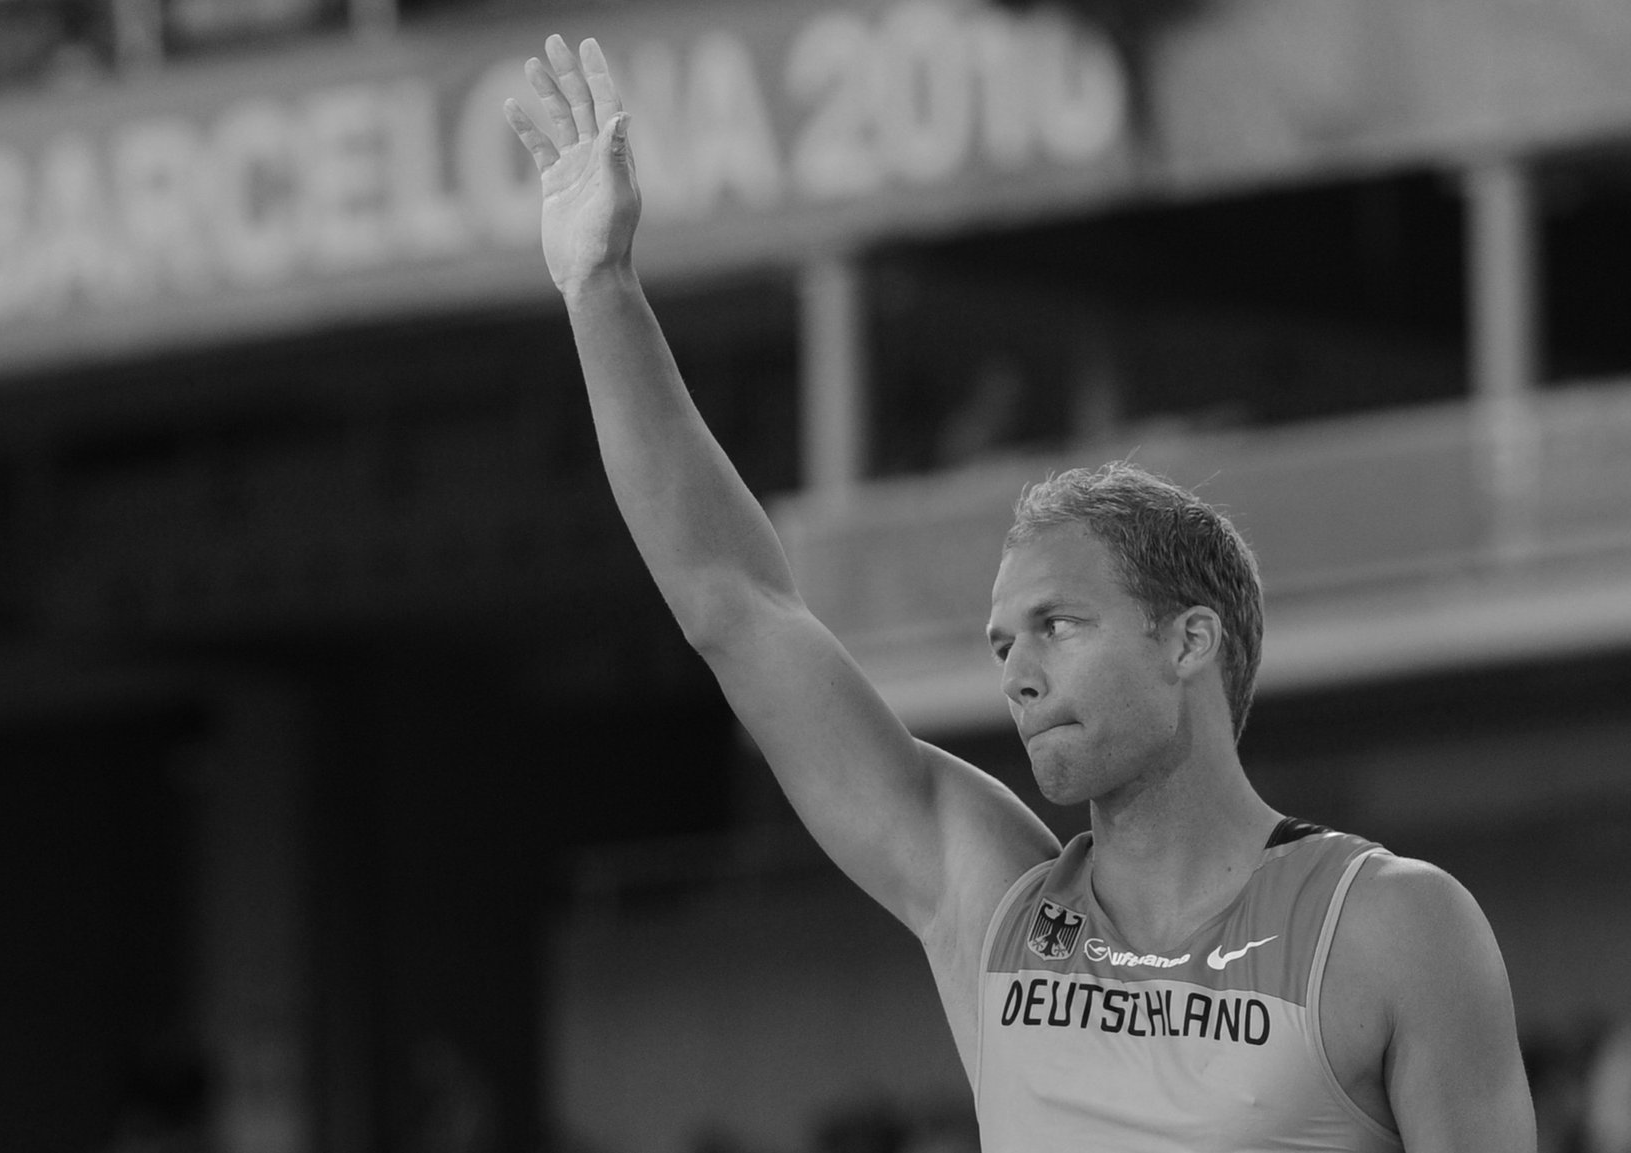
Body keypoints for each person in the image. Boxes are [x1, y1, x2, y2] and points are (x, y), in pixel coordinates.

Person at [504, 35, 1537, 1152]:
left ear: (1187, 640)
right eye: (1001, 644)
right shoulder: (988, 900)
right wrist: (598, 290)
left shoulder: (1387, 925)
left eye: (1056, 625)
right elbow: (736, 605)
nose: (1020, 673)